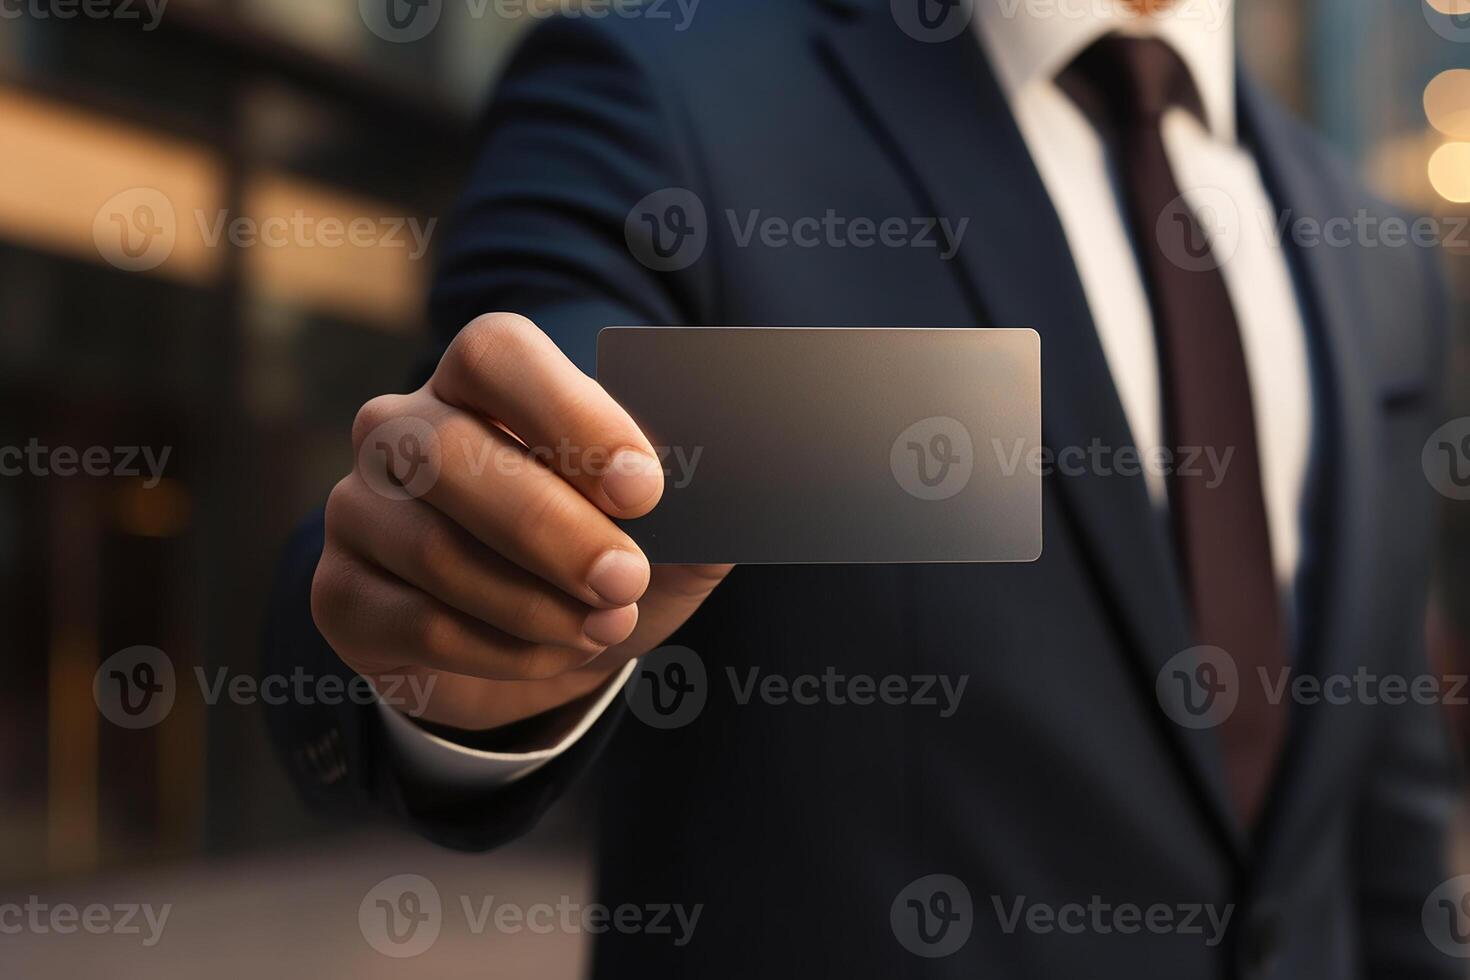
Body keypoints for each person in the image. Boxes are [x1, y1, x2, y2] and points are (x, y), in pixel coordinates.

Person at [265, 0, 1463, 974]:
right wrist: (474, 601)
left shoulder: (1376, 251)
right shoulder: (667, 86)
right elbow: (503, 443)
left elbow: (1383, 807)